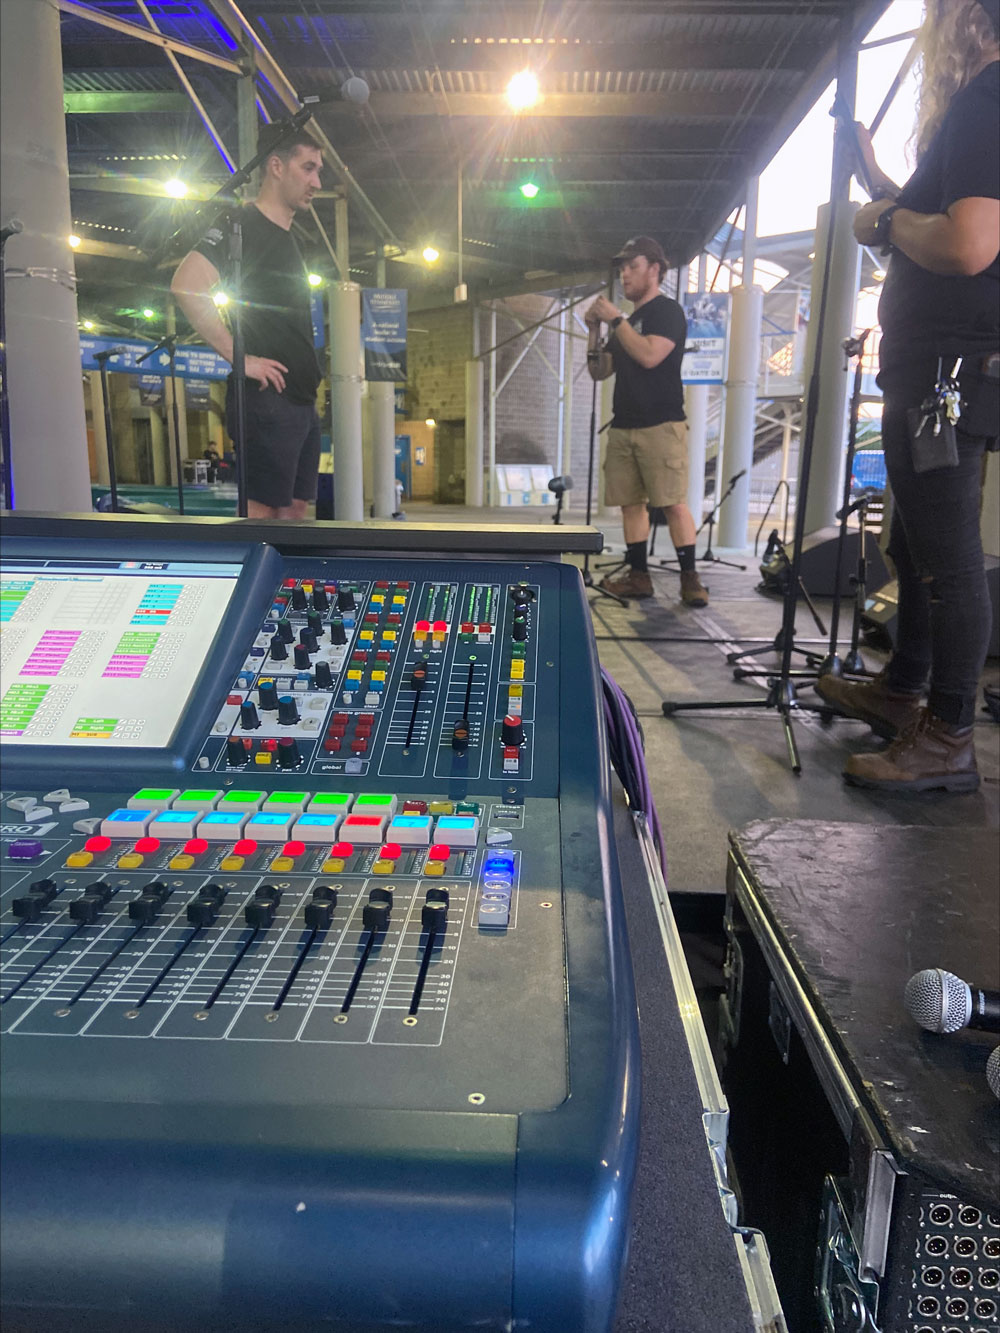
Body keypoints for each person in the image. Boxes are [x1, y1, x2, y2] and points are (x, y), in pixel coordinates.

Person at [816, 0, 999, 794]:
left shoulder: (988, 99)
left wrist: (883, 217)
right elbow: (931, 218)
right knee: (915, 546)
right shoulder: (981, 107)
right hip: (938, 369)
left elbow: (965, 244)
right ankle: (904, 692)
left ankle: (949, 735)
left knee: (948, 559)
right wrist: (881, 185)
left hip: (946, 373)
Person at [171, 123, 324, 519]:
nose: (317, 182)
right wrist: (240, 359)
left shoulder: (291, 238)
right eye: (308, 168)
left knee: (293, 522)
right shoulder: (242, 224)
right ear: (276, 166)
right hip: (268, 402)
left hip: (301, 405)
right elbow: (187, 284)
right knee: (264, 527)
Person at [586, 235, 709, 606]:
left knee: (672, 501)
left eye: (632, 266)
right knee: (630, 503)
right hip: (624, 424)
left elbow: (651, 355)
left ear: (654, 270)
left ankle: (690, 579)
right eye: (622, 267)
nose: (624, 274)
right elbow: (600, 371)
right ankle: (639, 575)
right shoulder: (629, 320)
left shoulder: (666, 312)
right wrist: (594, 329)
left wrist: (616, 320)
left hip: (661, 423)